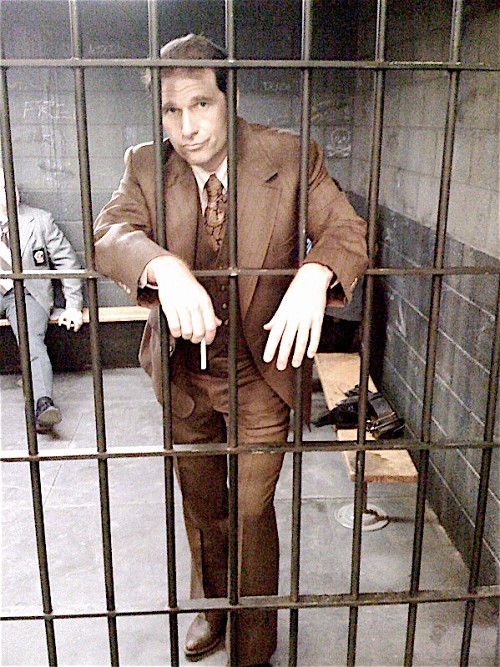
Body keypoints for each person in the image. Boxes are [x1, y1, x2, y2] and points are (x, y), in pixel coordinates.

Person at [94, 34, 368, 667]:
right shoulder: (146, 164)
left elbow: (346, 227)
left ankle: (254, 643)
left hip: (260, 372)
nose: (187, 127)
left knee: (249, 512)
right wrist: (163, 266)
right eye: (171, 110)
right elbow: (111, 233)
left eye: (201, 104)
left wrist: (315, 272)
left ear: (229, 98)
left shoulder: (290, 155)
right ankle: (213, 606)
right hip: (184, 373)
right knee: (202, 507)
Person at [0, 168, 84, 433]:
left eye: (9, 187)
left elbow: (67, 261)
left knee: (31, 341)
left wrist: (73, 306)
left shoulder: (39, 220)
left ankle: (42, 405)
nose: (6, 193)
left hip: (25, 293)